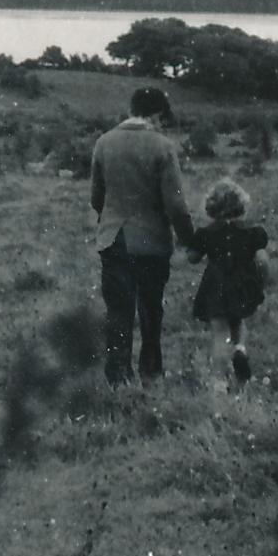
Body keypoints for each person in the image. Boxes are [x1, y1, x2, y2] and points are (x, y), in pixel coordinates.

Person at [89, 85, 197, 385]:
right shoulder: (163, 147)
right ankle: (151, 373)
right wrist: (189, 241)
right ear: (158, 114)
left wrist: (111, 216)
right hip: (152, 242)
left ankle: (118, 378)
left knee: (118, 313)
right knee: (151, 310)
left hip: (113, 239)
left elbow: (96, 197)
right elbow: (175, 205)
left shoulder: (104, 142)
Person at [186, 177, 269, 385]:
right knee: (239, 319)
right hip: (242, 283)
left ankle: (219, 383)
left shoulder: (207, 233)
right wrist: (261, 281)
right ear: (241, 205)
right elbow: (262, 259)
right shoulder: (252, 232)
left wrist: (193, 244)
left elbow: (192, 258)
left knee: (220, 332)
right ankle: (240, 348)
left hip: (215, 285)